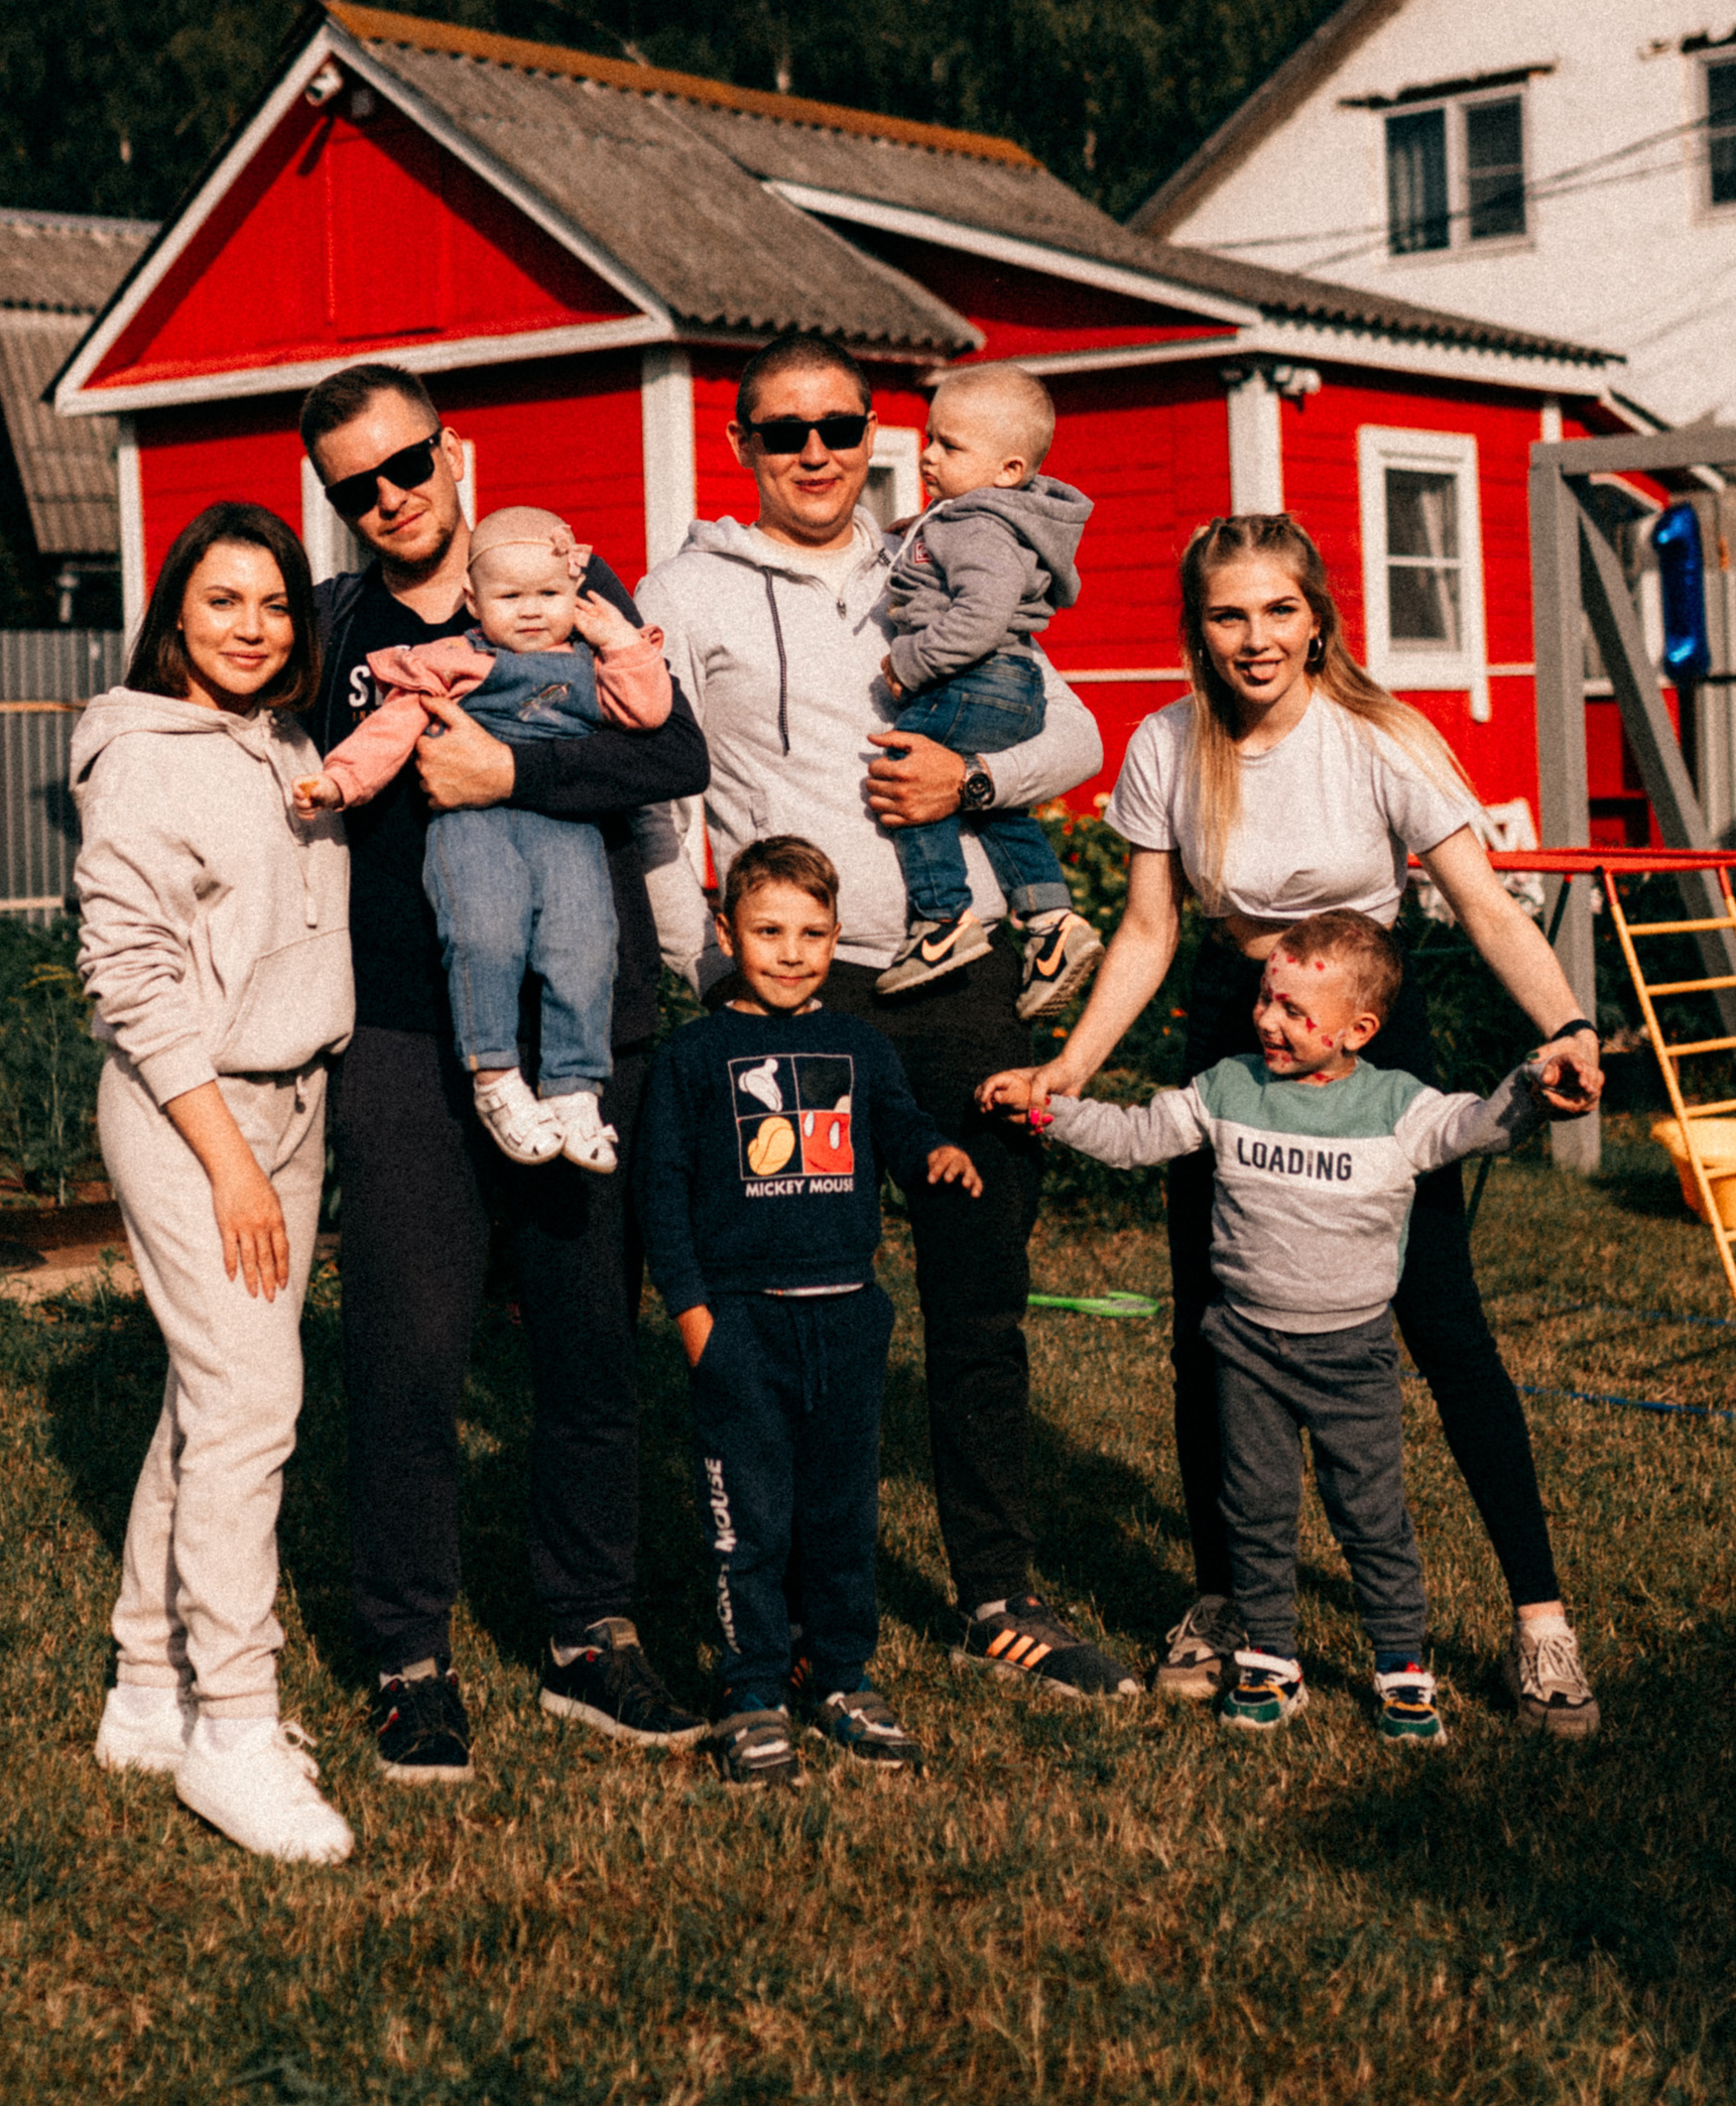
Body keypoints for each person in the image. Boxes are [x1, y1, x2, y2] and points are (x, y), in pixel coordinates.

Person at [985, 511, 1604, 1737]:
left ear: (1317, 616)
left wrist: (1567, 1028)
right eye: (1228, 614)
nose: (1255, 637)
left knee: (1441, 1324)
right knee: (1216, 1328)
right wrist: (1070, 1064)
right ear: (1197, 630)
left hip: (1368, 1026)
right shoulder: (1169, 743)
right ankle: (1224, 1600)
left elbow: (1481, 906)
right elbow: (1153, 933)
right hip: (1232, 1022)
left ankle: (1540, 1624)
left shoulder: (1378, 737)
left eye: (1278, 610)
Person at [639, 336, 1137, 1701]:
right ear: (740, 443)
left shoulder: (947, 555)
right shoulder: (686, 590)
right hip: (800, 999)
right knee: (788, 1312)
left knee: (980, 1300)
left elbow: (1079, 734)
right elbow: (656, 798)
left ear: (877, 438)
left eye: (839, 426)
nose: (814, 452)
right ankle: (800, 1609)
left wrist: (970, 785)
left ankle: (996, 1594)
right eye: (783, 430)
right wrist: (706, 974)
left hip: (959, 975)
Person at [303, 361, 712, 1786]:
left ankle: (591, 1630)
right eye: (357, 484)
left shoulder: (553, 573)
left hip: (588, 1027)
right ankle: (410, 1653)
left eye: (407, 461)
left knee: (590, 1342)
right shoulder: (330, 629)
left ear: (451, 447)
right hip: (408, 1035)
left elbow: (673, 753)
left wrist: (513, 781)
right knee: (410, 1352)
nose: (392, 495)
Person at [992, 908, 1553, 1747]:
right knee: (1254, 1508)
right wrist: (1053, 1111)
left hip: (1352, 1356)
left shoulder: (1398, 1105)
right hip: (1246, 1348)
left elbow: (1474, 1126)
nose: (1270, 1021)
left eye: (1296, 1011)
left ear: (1359, 1028)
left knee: (1372, 1514)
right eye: (1267, 1000)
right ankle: (1269, 1661)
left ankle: (1401, 1667)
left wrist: (1537, 1087)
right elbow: (1142, 1134)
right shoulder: (1228, 1087)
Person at [72, 502, 357, 1866]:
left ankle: (145, 1688)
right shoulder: (140, 758)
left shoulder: (285, 741)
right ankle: (235, 1729)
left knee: (212, 1398)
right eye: (222, 601)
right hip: (196, 1116)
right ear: (173, 614)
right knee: (256, 1403)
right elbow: (128, 978)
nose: (252, 628)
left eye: (274, 605)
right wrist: (232, 1162)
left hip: (288, 1099)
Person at [638, 837, 983, 1787]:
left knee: (840, 1514)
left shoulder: (860, 1045)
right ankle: (750, 1691)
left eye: (812, 933)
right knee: (748, 1520)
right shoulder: (695, 1054)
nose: (791, 953)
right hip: (742, 1322)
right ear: (726, 934)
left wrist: (931, 1157)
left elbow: (899, 1127)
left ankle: (839, 1675)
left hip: (848, 1317)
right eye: (768, 931)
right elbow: (663, 1192)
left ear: (838, 938)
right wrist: (695, 1316)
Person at [296, 506, 671, 1176]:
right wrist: (339, 782)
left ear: (575, 596)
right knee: (485, 936)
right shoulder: (454, 658)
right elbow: (391, 728)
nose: (532, 611)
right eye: (510, 596)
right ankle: (495, 1074)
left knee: (585, 944)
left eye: (550, 594)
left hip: (567, 830)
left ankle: (575, 1087)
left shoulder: (590, 662)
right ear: (473, 600)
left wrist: (622, 641)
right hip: (475, 830)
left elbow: (649, 712)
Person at [876, 363, 1101, 1015]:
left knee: (908, 772)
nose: (927, 454)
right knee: (996, 806)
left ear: (1007, 470)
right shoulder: (976, 521)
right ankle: (1052, 921)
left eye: (950, 446)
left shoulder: (975, 524)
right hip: (1014, 686)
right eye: (930, 437)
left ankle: (944, 921)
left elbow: (981, 612)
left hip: (970, 676)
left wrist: (909, 663)